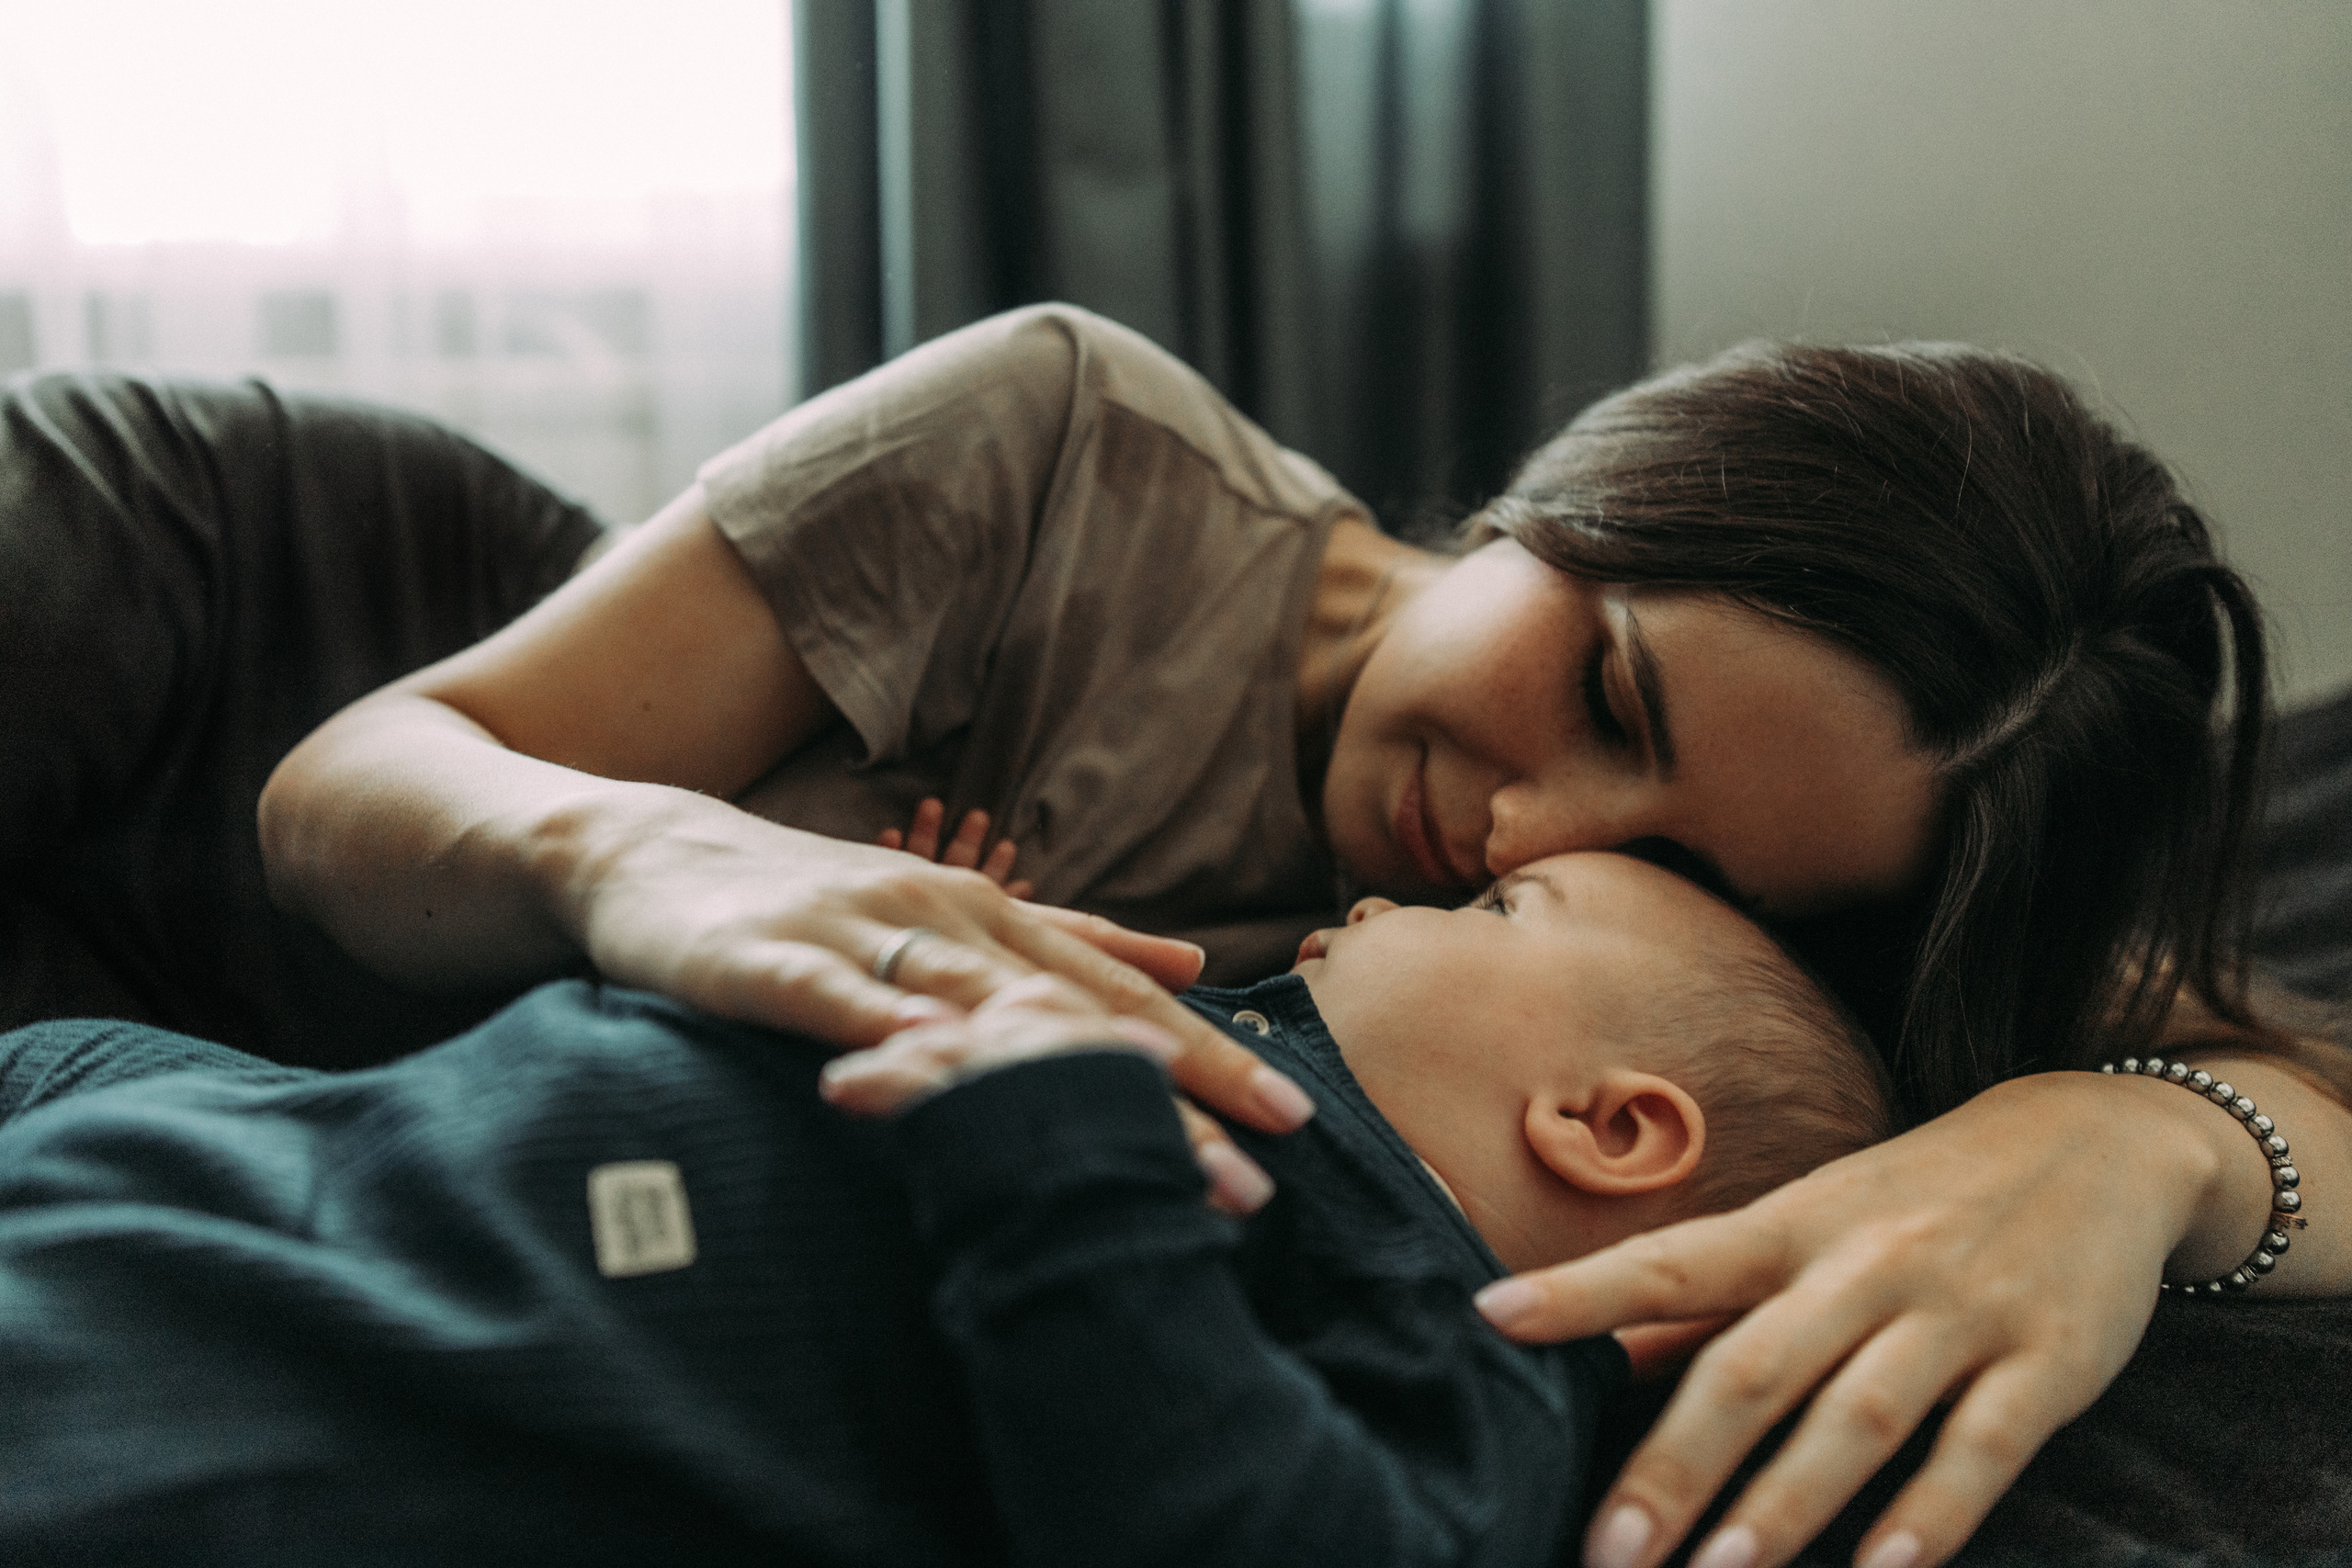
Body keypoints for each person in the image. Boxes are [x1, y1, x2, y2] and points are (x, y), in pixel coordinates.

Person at [27, 304, 2345, 1563]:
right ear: (1578, 494)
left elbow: (2280, 1080)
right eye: (1602, 688)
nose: (1509, 826)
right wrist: (671, 860)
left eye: (1701, 877)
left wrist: (2128, 1153)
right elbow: (343, 795)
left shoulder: (1743, 985)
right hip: (344, 967)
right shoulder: (1070, 458)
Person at [0, 852, 1888, 1565]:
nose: (1381, 903)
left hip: (379, 1362)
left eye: (1490, 915)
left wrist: (1060, 1139)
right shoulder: (1233, 1048)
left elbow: (1242, 1529)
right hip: (327, 1153)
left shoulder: (1471, 1342)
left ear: (1609, 1125)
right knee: (85, 1065)